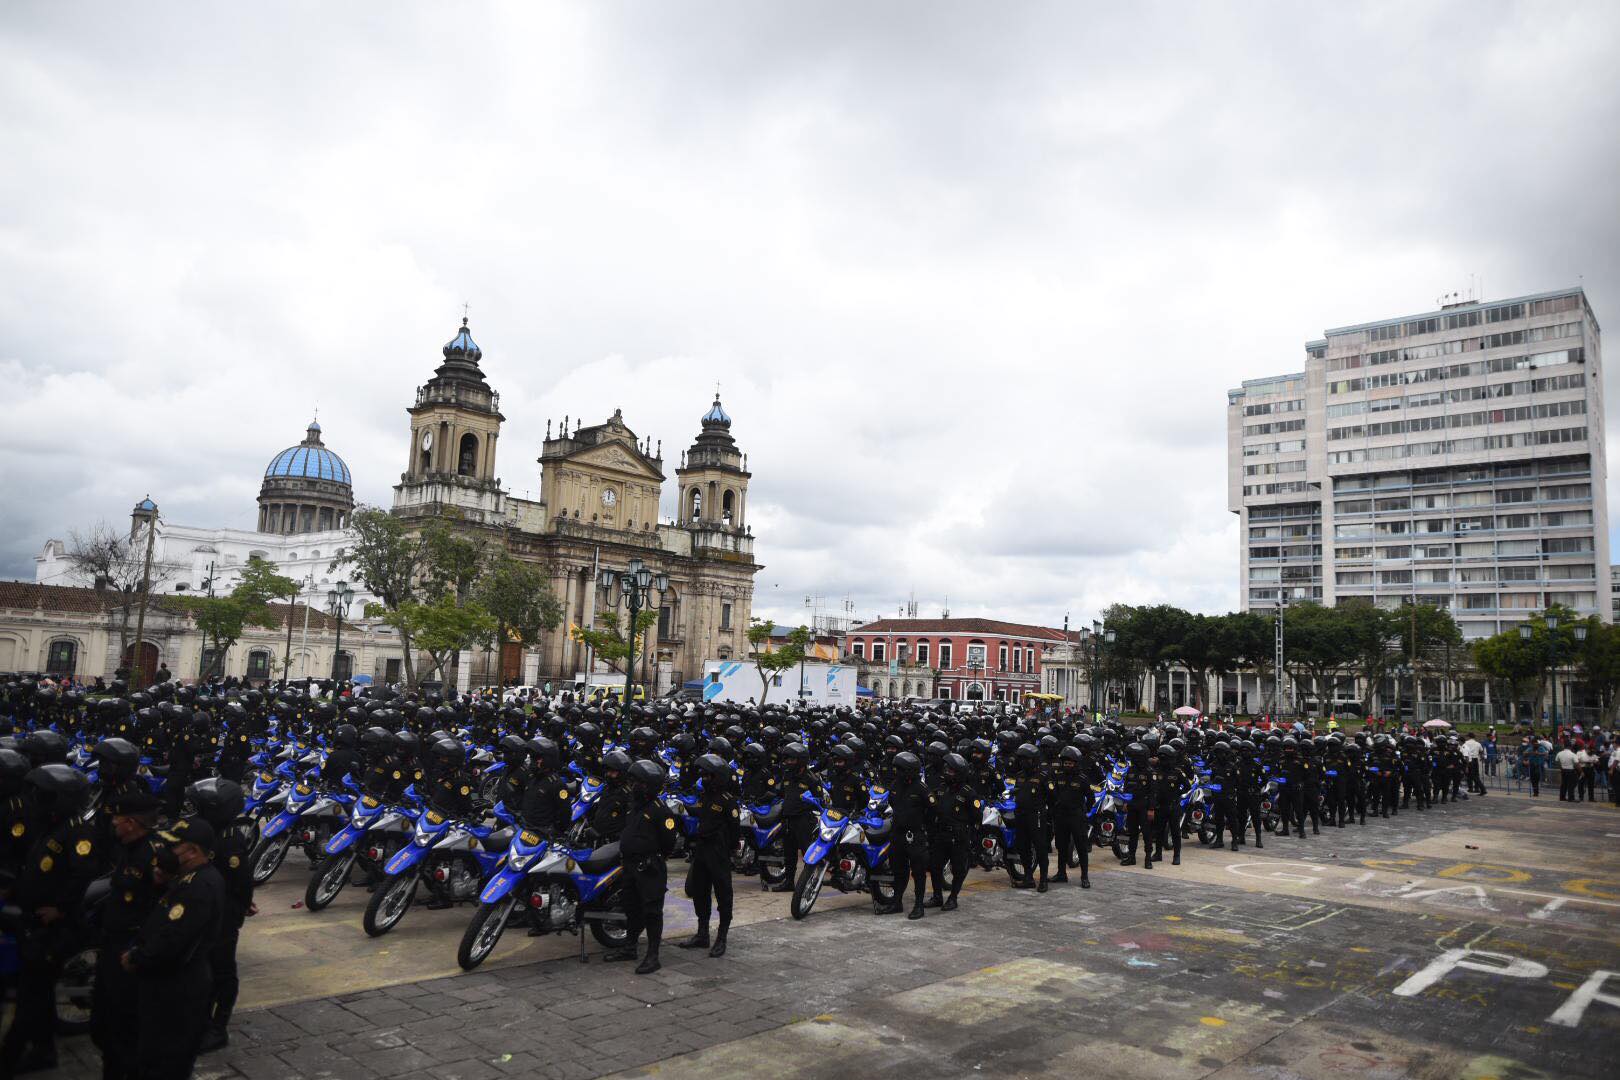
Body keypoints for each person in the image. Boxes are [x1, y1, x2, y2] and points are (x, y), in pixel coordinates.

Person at [2, 764, 101, 1076]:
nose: (35, 799)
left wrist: (59, 908)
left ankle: (7, 1060)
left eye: (43, 794)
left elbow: (82, 874)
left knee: (31, 996)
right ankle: (44, 1051)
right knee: (39, 993)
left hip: (54, 927)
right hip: (33, 917)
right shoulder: (49, 824)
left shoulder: (77, 831)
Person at [123, 817, 225, 1080]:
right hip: (170, 984)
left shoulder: (199, 887)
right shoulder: (189, 877)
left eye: (173, 847)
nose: (166, 852)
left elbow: (174, 940)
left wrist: (138, 958)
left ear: (192, 851)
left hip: (178, 989)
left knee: (165, 1062)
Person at [92, 788, 166, 1080]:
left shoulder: (156, 856)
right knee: (103, 1024)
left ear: (132, 823)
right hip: (112, 945)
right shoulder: (128, 848)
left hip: (131, 951)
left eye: (118, 818)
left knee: (124, 1031)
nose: (113, 823)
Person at [605, 759, 677, 975]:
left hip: (649, 868)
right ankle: (630, 947)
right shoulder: (633, 805)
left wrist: (651, 857)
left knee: (652, 912)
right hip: (630, 865)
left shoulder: (660, 811)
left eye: (638, 782)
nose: (633, 785)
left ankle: (653, 955)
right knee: (631, 908)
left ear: (649, 785)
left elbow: (668, 843)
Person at [678, 753, 737, 957]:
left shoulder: (728, 802)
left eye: (708, 776)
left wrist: (726, 850)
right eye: (703, 775)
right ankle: (702, 934)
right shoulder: (705, 797)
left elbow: (734, 832)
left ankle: (721, 938)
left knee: (723, 895)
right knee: (699, 892)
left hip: (718, 854)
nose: (704, 779)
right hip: (702, 851)